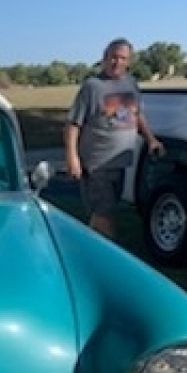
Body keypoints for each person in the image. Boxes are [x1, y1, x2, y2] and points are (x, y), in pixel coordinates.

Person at [64, 38, 163, 239]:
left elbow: (136, 115)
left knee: (101, 213)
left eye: (122, 58)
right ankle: (110, 256)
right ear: (104, 58)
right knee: (105, 216)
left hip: (119, 163)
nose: (117, 62)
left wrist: (151, 140)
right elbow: (73, 125)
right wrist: (72, 158)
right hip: (96, 165)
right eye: (113, 57)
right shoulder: (92, 87)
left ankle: (90, 249)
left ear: (129, 61)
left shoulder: (130, 84)